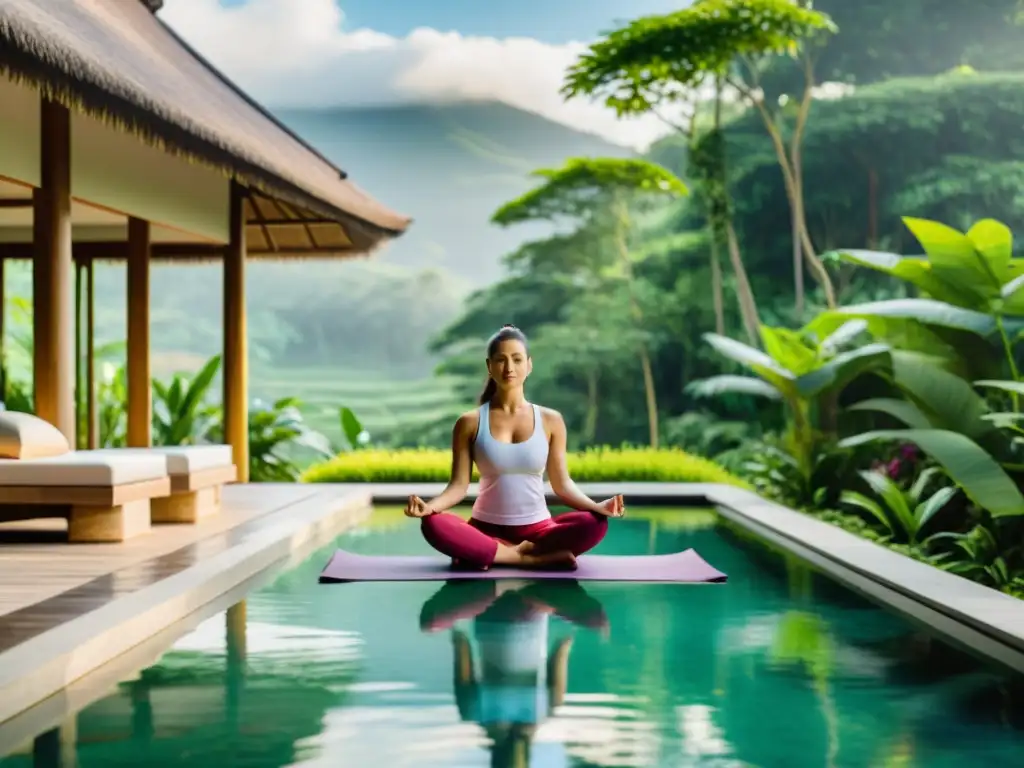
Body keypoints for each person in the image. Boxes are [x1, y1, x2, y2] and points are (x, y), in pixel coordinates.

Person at [404, 324, 625, 570]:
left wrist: (597, 507)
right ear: (490, 367)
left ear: (528, 365)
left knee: (595, 523)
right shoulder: (469, 423)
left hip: (538, 531)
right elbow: (458, 487)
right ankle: (529, 558)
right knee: (433, 524)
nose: (509, 368)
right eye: (501, 360)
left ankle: (496, 555)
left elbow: (562, 485)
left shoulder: (551, 420)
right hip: (485, 530)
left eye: (517, 359)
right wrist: (429, 508)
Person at [419, 580, 608, 768]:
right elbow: (461, 646)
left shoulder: (545, 710)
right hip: (497, 607)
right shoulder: (474, 713)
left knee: (595, 619)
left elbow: (562, 648)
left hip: (521, 606)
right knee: (431, 621)